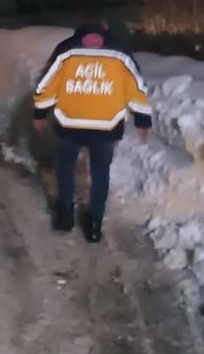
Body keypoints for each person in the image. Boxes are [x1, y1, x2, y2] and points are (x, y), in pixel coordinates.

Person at [32, 15, 152, 243]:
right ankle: (95, 225)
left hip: (69, 124)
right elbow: (137, 89)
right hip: (106, 127)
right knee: (100, 174)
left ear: (80, 28)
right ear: (104, 27)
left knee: (65, 169)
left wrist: (40, 113)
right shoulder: (121, 53)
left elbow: (46, 85)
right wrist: (142, 120)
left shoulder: (65, 50)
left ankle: (65, 216)